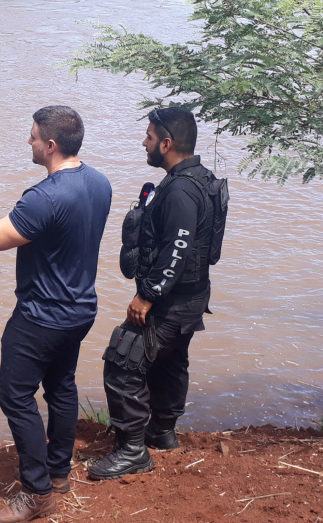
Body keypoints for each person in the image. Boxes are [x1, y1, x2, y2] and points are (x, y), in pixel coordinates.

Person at [0, 106, 112, 523]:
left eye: (33, 136)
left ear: (51, 145)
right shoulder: (99, 182)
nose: (28, 142)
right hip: (80, 309)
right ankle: (58, 475)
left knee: (14, 396)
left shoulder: (45, 197)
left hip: (41, 316)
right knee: (61, 387)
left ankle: (37, 492)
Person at [88, 107, 223, 480]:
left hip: (171, 299)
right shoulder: (200, 179)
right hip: (191, 297)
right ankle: (161, 433)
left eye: (148, 137)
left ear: (166, 143)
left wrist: (147, 296)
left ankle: (133, 451)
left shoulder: (180, 189)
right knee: (170, 360)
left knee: (123, 357)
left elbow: (177, 250)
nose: (143, 143)